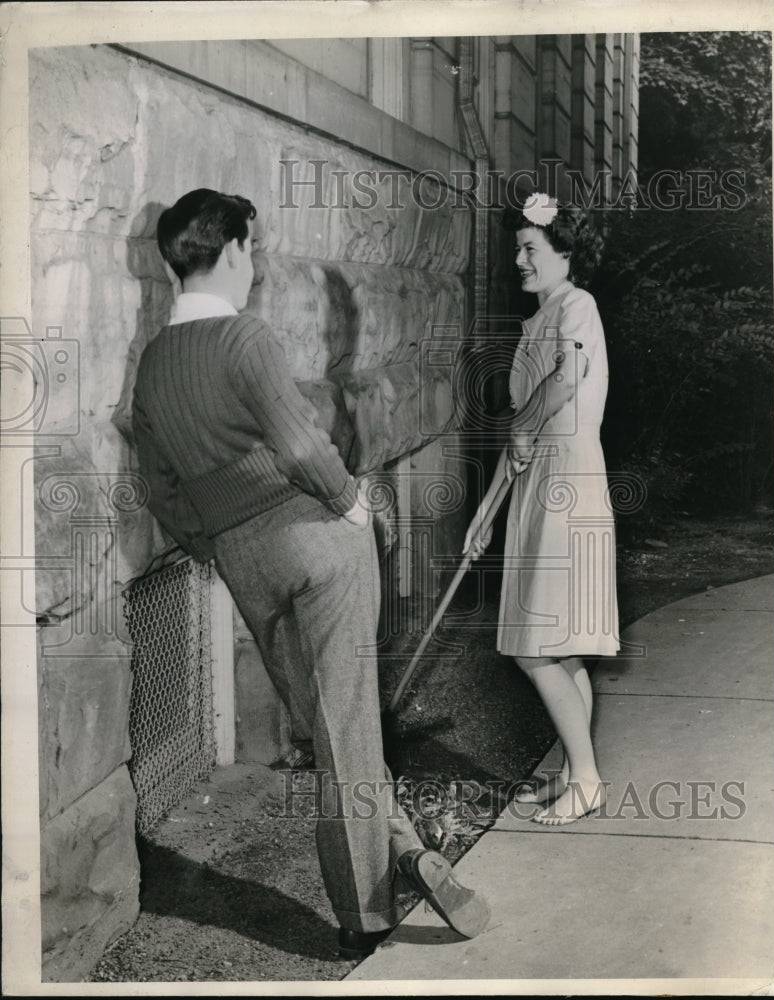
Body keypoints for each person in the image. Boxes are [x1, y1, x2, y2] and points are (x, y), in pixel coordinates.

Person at [132, 188, 489, 958]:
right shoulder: (244, 338)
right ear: (229, 249)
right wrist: (353, 506)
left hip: (242, 558)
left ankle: (400, 850)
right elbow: (299, 447)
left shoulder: (155, 362)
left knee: (327, 730)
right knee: (350, 723)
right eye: (250, 248)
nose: (252, 262)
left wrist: (211, 545)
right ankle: (364, 912)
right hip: (316, 538)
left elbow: (160, 485)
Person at [464, 193, 620, 826]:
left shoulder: (577, 307)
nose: (519, 261)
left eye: (530, 249)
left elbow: (563, 383)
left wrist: (524, 425)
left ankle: (586, 779)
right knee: (565, 649)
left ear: (565, 254)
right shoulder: (537, 320)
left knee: (537, 648)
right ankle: (574, 771)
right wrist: (487, 512)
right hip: (536, 485)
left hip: (569, 485)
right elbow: (519, 433)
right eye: (517, 250)